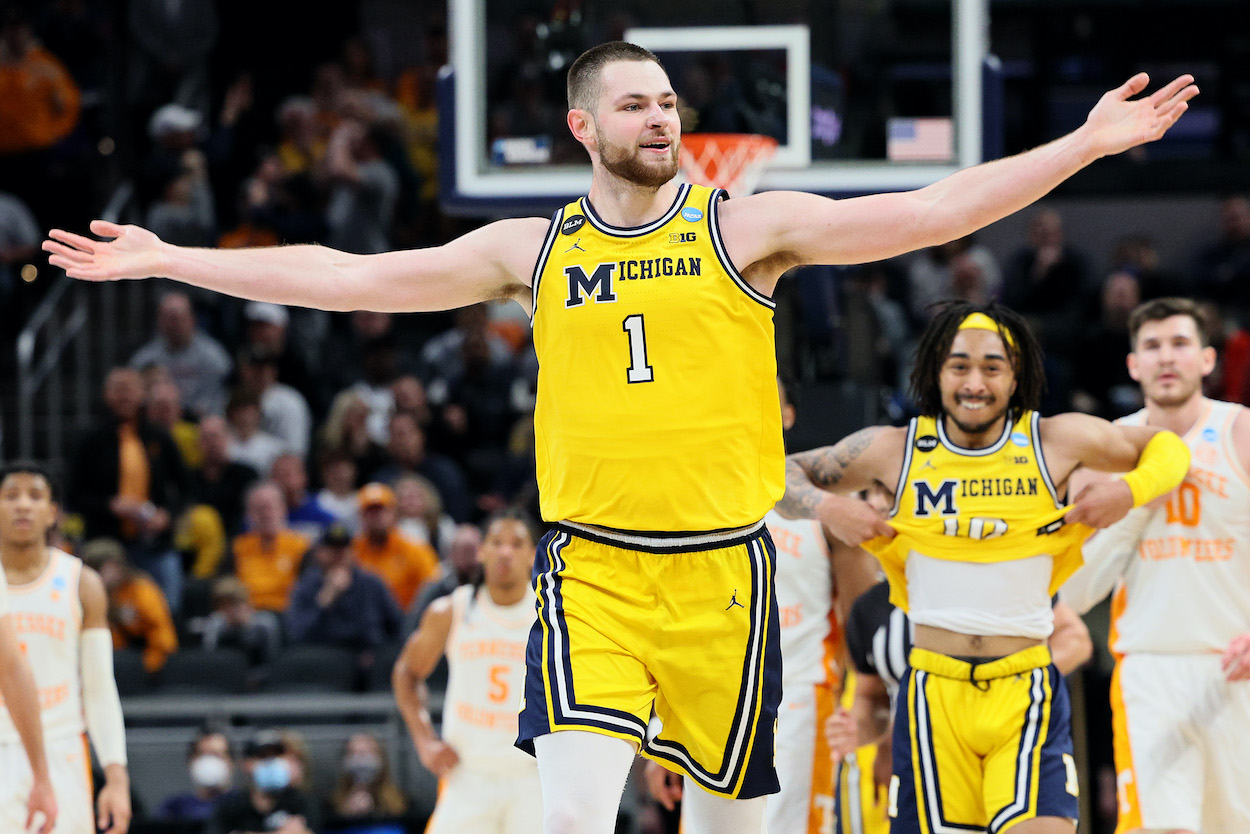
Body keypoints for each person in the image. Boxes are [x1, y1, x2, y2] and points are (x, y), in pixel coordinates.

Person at [44, 40, 1198, 833]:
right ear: (582, 124)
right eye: (638, 103)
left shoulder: (747, 228)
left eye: (670, 103)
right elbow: (349, 278)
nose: (664, 118)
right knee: (570, 808)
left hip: (725, 576)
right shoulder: (531, 249)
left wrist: (1083, 146)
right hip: (591, 568)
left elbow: (933, 211)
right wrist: (170, 258)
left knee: (735, 819)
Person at [779, 300, 1192, 833]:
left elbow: (1167, 448)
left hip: (1025, 688)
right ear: (936, 372)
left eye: (992, 367)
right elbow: (786, 476)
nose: (975, 382)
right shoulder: (894, 450)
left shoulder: (1055, 441)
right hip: (932, 693)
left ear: (1015, 376)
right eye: (959, 366)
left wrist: (1127, 491)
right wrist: (831, 508)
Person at [1059, 297, 1250, 834]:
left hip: (1237, 665)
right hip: (1150, 666)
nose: (1167, 357)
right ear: (1133, 365)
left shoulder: (1240, 432)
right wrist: (1134, 498)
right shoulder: (1105, 449)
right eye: (1152, 346)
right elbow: (1074, 589)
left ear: (1208, 360)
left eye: (1180, 344)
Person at [830, 577, 1094, 834]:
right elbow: (870, 699)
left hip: (1016, 716)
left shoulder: (1001, 571)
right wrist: (858, 728)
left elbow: (1076, 639)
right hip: (917, 738)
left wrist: (1019, 676)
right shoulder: (870, 607)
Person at [0, 461, 131, 834]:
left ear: (53, 512)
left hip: (61, 749)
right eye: (10, 496)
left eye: (35, 496)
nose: (23, 505)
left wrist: (116, 777)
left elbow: (100, 688)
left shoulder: (81, 583)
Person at [393, 510, 541, 834]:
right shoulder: (451, 610)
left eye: (516, 544)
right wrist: (424, 741)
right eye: (497, 542)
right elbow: (406, 673)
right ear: (481, 551)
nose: (505, 552)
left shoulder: (549, 616)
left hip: (533, 775)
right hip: (468, 773)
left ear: (533, 555)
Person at [80, 537, 179, 674]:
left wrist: (148, 667)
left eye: (97, 569)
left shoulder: (142, 590)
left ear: (114, 565)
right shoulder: (97, 593)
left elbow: (162, 635)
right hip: (115, 661)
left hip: (149, 662)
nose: (93, 577)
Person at [205, 728, 319, 834]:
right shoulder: (229, 807)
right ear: (247, 764)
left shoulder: (301, 802)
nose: (272, 762)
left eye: (277, 755)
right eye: (263, 756)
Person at [154, 725, 235, 823]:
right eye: (202, 754)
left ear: (231, 762)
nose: (208, 761)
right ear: (190, 761)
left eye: (216, 754)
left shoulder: (244, 807)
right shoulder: (174, 809)